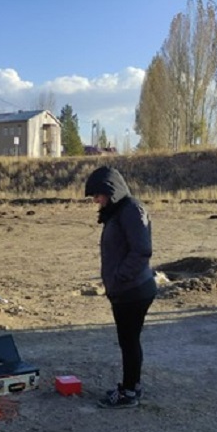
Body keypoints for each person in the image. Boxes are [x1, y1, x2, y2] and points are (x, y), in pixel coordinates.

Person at [85, 165, 157, 409]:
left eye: (98, 195)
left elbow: (142, 251)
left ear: (111, 190)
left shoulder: (130, 210)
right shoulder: (119, 210)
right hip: (128, 290)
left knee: (129, 341)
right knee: (129, 341)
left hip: (133, 290)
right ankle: (132, 387)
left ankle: (128, 393)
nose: (96, 200)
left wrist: (118, 278)